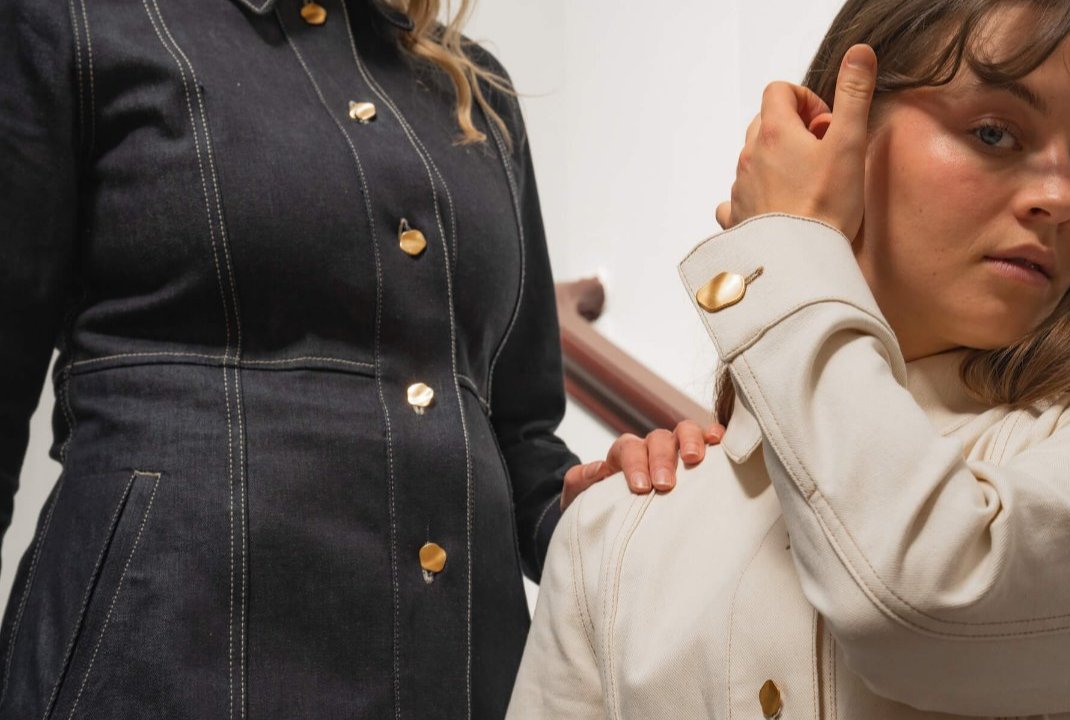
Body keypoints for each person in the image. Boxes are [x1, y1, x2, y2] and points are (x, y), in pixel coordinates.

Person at [506, 0, 1070, 718]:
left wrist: (779, 247)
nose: (1062, 198)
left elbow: (921, 597)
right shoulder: (616, 531)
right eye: (994, 132)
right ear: (830, 137)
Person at [0, 0, 717, 717]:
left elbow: (517, 432)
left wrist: (599, 509)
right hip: (162, 658)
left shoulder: (479, 93)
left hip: (457, 675)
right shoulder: (76, 20)